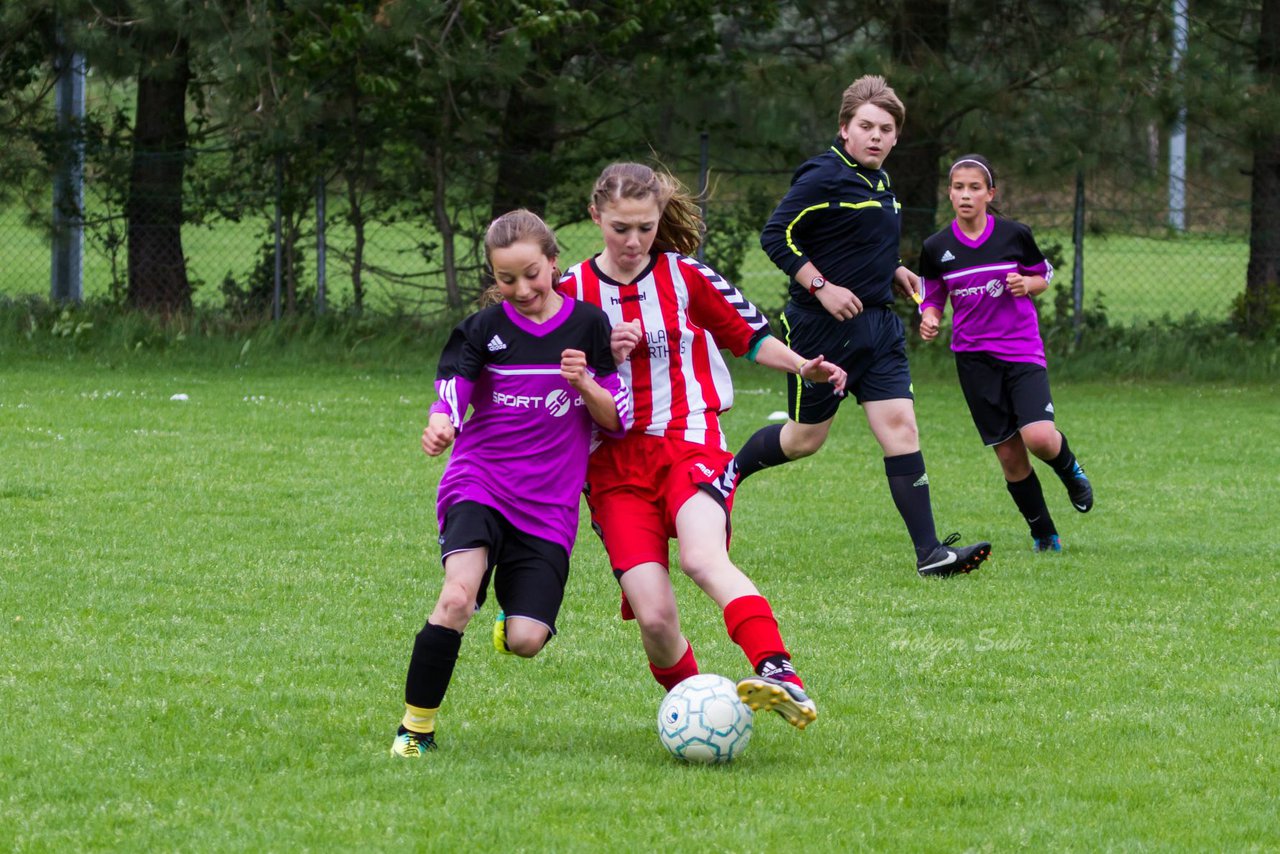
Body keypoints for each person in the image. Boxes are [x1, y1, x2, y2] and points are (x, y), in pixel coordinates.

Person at [558, 162, 847, 729]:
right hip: (613, 467)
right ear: (595, 218)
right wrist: (601, 360)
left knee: (701, 556)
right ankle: (702, 714)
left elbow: (751, 337)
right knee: (657, 619)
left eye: (645, 227)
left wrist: (801, 368)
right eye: (620, 228)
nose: (634, 241)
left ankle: (778, 670)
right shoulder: (571, 294)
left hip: (691, 442)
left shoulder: (687, 276)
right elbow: (552, 383)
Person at [390, 209, 632, 757]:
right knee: (455, 598)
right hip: (480, 482)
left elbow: (615, 421)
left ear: (553, 262)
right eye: (505, 279)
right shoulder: (483, 330)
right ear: (492, 278)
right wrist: (441, 422)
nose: (521, 289)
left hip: (549, 504)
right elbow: (453, 386)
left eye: (531, 273)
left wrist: (585, 382)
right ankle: (415, 729)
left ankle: (509, 611)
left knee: (526, 640)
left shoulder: (589, 326)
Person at [734, 74, 991, 578]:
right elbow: (775, 235)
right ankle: (725, 474)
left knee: (901, 427)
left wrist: (894, 270)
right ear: (845, 129)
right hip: (819, 332)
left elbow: (858, 240)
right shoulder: (822, 175)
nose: (876, 136)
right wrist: (820, 286)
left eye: (886, 128)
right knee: (804, 439)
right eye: (866, 126)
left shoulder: (881, 183)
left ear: (896, 136)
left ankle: (931, 555)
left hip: (878, 328)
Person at [917, 154, 1093, 552]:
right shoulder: (937, 246)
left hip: (1020, 350)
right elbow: (933, 293)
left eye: (974, 187)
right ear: (949, 193)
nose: (966, 195)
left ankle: (1071, 471)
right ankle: (1044, 534)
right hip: (973, 360)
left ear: (989, 193)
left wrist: (1026, 285)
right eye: (958, 187)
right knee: (1011, 457)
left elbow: (1043, 275)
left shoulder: (1014, 234)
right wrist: (930, 317)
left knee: (1040, 438)